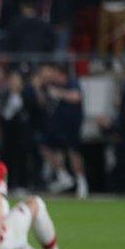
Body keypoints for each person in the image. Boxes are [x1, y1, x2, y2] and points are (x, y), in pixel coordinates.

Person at [37, 64, 88, 198]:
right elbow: (42, 102)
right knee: (45, 147)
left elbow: (77, 97)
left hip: (71, 125)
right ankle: (62, 175)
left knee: (73, 152)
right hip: (57, 126)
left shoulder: (72, 82)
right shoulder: (49, 86)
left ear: (61, 74)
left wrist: (59, 93)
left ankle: (81, 182)